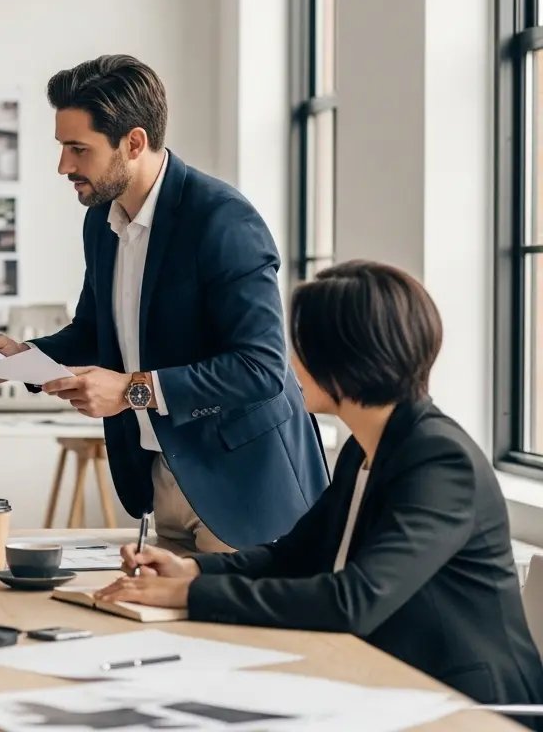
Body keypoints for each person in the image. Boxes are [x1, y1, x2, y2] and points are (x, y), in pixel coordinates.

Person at [99, 261, 543, 712]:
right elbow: (294, 556)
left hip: (470, 705)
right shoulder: (364, 447)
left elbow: (353, 600)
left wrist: (190, 596)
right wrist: (193, 571)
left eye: (303, 348)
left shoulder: (440, 460)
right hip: (388, 680)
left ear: (345, 359)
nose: (291, 364)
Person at [0, 54, 327, 551]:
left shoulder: (223, 220)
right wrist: (24, 359)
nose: (64, 166)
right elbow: (96, 332)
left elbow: (261, 368)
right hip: (163, 476)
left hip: (245, 489)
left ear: (134, 142)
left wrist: (131, 391)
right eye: (62, 147)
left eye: (78, 149)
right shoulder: (101, 220)